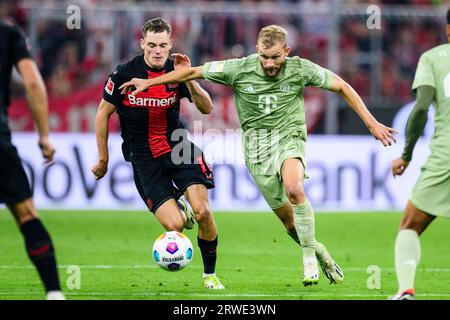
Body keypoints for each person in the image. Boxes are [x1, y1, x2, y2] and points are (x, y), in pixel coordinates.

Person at [120, 24, 398, 286]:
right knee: (290, 223)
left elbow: (342, 86)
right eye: (264, 57)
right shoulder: (239, 68)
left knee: (294, 188)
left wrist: (372, 123)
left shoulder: (301, 68)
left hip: (289, 140)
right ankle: (320, 251)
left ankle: (308, 260)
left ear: (286, 52)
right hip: (256, 151)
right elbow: (191, 73)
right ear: (257, 50)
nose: (269, 63)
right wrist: (149, 84)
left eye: (275, 57)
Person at [91, 18, 224, 289]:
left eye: (163, 45)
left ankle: (210, 275)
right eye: (151, 45)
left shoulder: (176, 72)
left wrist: (190, 79)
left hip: (178, 147)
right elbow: (102, 113)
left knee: (203, 213)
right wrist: (102, 157)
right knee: (174, 225)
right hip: (144, 158)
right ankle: (178, 203)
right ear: (142, 44)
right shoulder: (124, 73)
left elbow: (207, 108)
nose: (157, 51)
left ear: (170, 44)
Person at [0, 20, 64, 300]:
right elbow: (33, 82)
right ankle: (54, 293)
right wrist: (44, 136)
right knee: (25, 213)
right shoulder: (9, 34)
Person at [389, 8, 450, 301]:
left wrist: (407, 155)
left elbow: (421, 109)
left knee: (409, 225)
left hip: (446, 157)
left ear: (448, 30)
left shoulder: (433, 58)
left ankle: (406, 291)